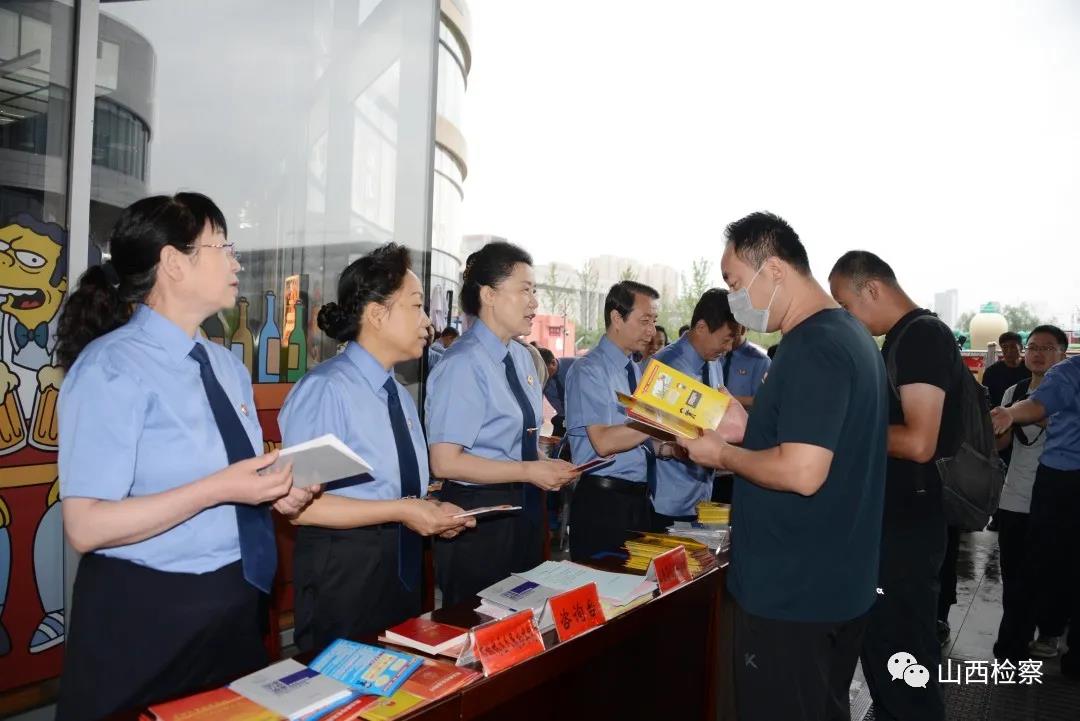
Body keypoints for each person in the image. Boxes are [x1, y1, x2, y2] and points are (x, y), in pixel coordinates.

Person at [54, 193, 314, 719]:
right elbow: (85, 526)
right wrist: (218, 489)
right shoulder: (110, 368)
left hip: (233, 602)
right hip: (146, 614)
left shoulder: (225, 365)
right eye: (223, 248)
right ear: (174, 262)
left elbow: (230, 479)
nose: (237, 264)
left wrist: (276, 493)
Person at [682, 212, 886, 721]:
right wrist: (749, 429)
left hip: (793, 597)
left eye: (734, 283)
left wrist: (721, 454)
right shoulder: (849, 335)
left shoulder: (814, 346)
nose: (733, 298)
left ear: (773, 270)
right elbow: (818, 445)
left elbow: (802, 472)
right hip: (834, 584)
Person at [278, 244, 474, 651]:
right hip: (347, 571)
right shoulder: (327, 389)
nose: (428, 322)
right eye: (416, 306)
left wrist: (431, 510)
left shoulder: (398, 394)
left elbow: (394, 487)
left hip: (401, 562)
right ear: (377, 314)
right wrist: (403, 510)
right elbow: (303, 508)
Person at [830, 250, 963, 721]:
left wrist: (841, 432)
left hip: (907, 531)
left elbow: (919, 441)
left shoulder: (921, 336)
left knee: (902, 661)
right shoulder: (902, 339)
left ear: (872, 289)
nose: (846, 317)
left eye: (846, 305)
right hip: (898, 525)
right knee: (889, 658)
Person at [426, 242, 579, 606]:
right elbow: (445, 462)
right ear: (489, 295)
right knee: (481, 623)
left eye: (534, 291)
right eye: (524, 290)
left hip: (524, 507)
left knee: (527, 616)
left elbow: (517, 442)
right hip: (480, 517)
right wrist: (529, 470)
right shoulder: (463, 364)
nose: (534, 302)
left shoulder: (522, 358)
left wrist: (545, 465)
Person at [565, 280, 673, 562]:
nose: (651, 331)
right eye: (645, 321)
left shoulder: (634, 371)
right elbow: (603, 442)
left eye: (654, 321)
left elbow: (636, 437)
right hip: (603, 503)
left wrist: (669, 448)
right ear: (616, 318)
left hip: (638, 501)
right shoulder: (589, 370)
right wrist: (661, 417)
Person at [991, 345, 1080, 678]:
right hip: (1062, 483)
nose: (1038, 353)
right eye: (1034, 347)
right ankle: (1012, 649)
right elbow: (1039, 403)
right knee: (1033, 567)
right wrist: (1011, 414)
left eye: (1046, 348)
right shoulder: (1069, 373)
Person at [651, 289, 744, 529]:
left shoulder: (712, 362)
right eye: (726, 338)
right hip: (670, 499)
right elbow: (651, 433)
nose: (729, 347)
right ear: (701, 327)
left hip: (702, 496)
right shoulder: (665, 368)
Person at [719, 323, 770, 409]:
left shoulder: (761, 361)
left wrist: (722, 400)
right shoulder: (714, 353)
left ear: (742, 329)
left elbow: (763, 400)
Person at [982, 331, 1031, 408]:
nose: (1009, 351)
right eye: (1005, 347)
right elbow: (986, 399)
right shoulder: (991, 372)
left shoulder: (1030, 369)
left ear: (1021, 347)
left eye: (1013, 347)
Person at [538, 347, 576, 438]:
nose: (541, 376)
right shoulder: (540, 377)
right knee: (554, 444)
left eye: (544, 372)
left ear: (553, 363)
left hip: (581, 419)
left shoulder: (576, 367)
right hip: (562, 418)